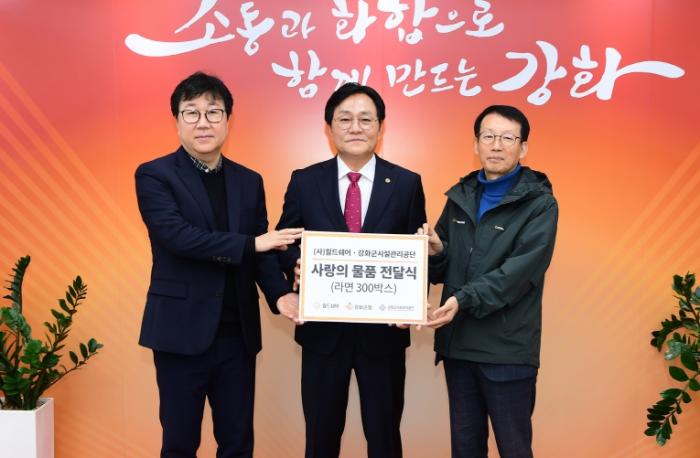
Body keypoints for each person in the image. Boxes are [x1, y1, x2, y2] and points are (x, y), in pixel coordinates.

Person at [134, 71, 302, 458]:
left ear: (228, 120)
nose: (203, 122)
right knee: (179, 444)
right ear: (177, 121)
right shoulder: (155, 175)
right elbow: (178, 237)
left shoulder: (249, 180)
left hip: (236, 336)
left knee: (238, 443)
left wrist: (280, 295)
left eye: (214, 112)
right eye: (191, 112)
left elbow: (261, 254)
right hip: (180, 333)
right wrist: (251, 244)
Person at [275, 82, 427, 458]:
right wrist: (296, 265)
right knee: (321, 440)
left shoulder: (406, 183)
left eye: (365, 119)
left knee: (385, 438)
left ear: (381, 127)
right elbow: (284, 242)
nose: (355, 127)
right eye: (345, 119)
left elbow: (418, 252)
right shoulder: (305, 181)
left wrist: (412, 304)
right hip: (323, 336)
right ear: (329, 128)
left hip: (384, 336)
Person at [420, 105, 558, 458]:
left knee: (514, 449)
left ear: (523, 148)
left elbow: (517, 274)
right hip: (458, 346)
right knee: (465, 448)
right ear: (476, 144)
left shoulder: (540, 204)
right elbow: (444, 266)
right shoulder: (461, 197)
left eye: (507, 138)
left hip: (507, 350)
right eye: (489, 136)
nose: (496, 145)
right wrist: (436, 252)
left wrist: (463, 300)